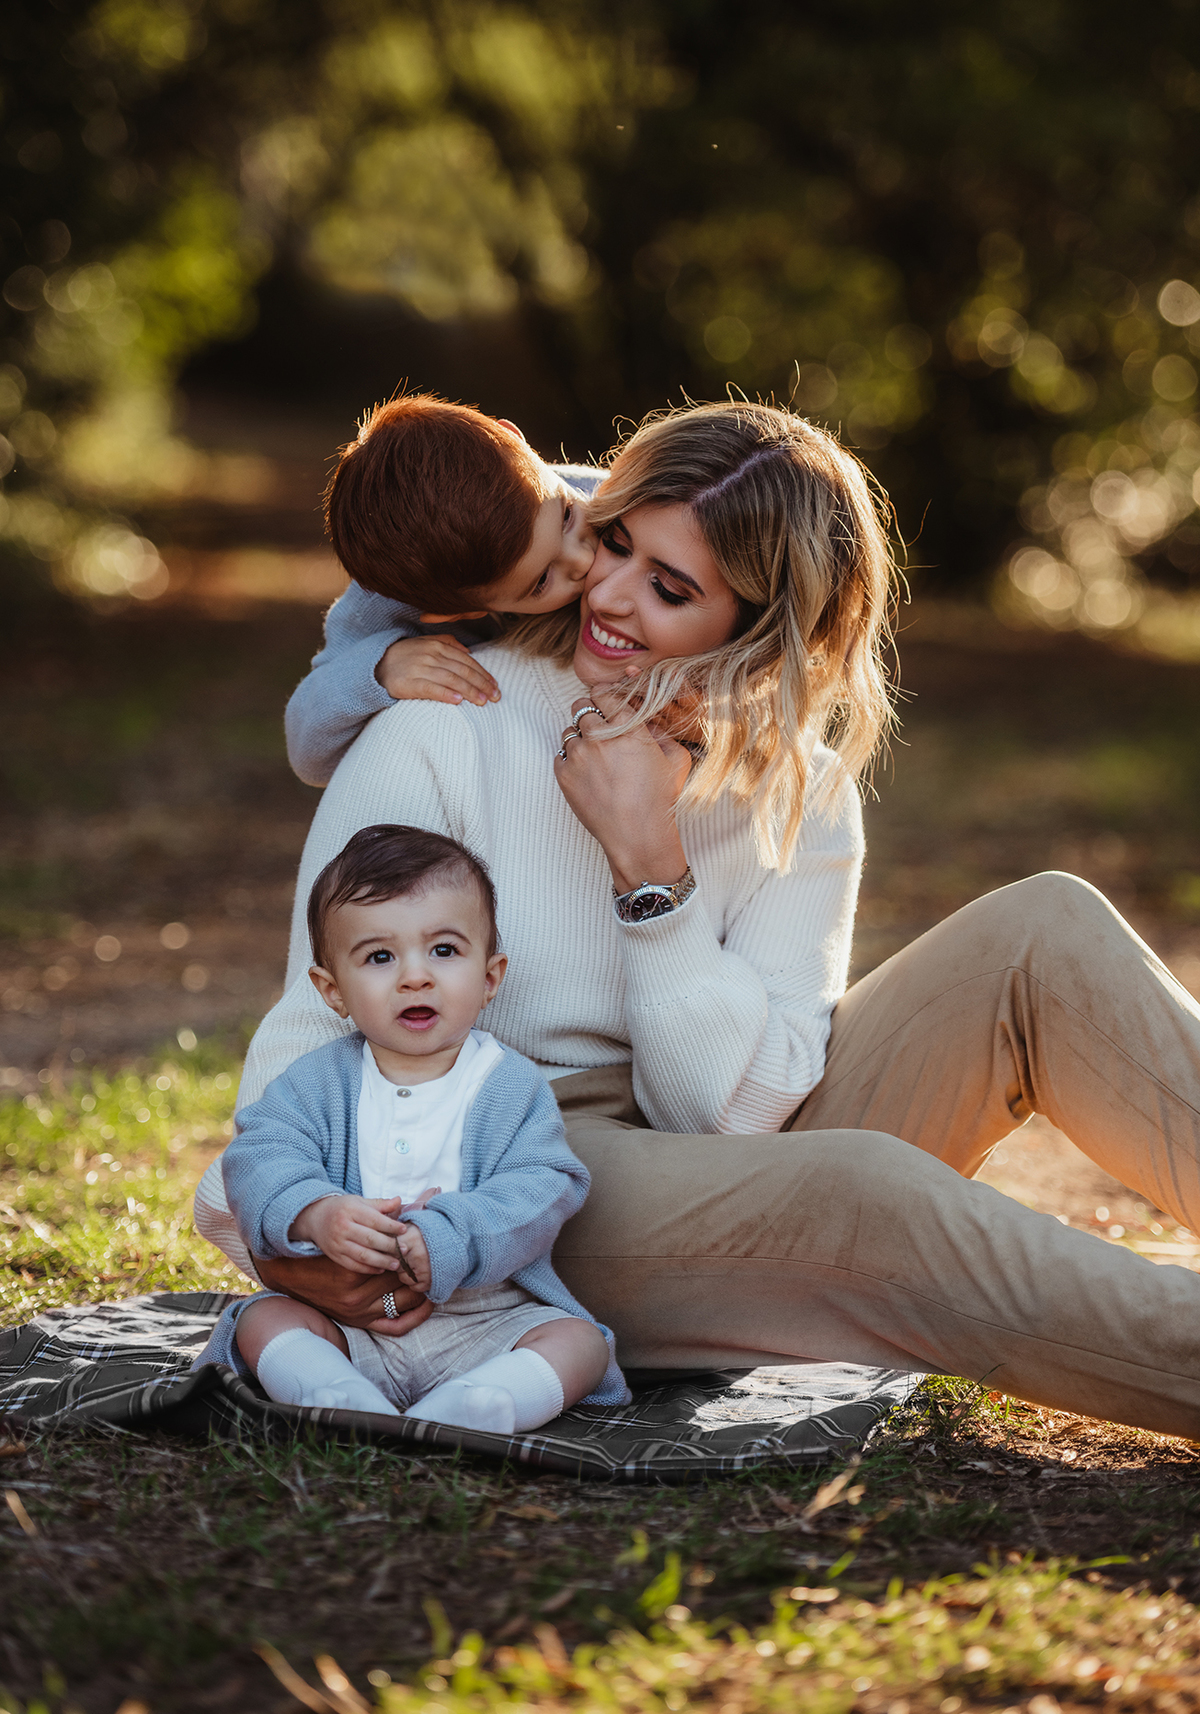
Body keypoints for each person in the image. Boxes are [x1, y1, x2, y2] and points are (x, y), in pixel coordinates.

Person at [197, 399, 1200, 1441]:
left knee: (1047, 929)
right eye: (616, 540)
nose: (610, 594)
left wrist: (652, 871)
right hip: (511, 1183)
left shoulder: (793, 788)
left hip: (726, 1136)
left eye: (671, 588)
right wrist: (287, 1231)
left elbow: (727, 1121)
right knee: (861, 1187)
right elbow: (312, 1044)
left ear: (762, 624)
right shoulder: (443, 720)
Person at [196, 824, 624, 1430]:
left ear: (490, 976)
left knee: (578, 1341)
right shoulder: (316, 1082)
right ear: (332, 990)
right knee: (265, 1322)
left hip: (487, 1318)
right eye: (379, 957)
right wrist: (314, 1211)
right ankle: (335, 1394)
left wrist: (453, 1236)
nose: (415, 976)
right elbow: (259, 1155)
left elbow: (547, 1185)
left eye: (444, 951)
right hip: (349, 1327)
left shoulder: (508, 1086)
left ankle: (485, 1403)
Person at [286, 393, 602, 786]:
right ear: (460, 614)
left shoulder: (600, 495)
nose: (584, 560)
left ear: (517, 438)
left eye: (568, 517)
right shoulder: (383, 606)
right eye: (541, 581)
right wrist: (378, 670)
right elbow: (306, 752)